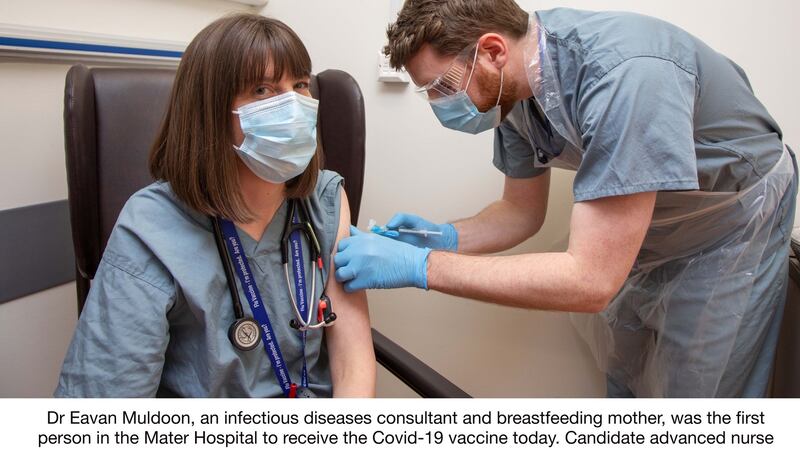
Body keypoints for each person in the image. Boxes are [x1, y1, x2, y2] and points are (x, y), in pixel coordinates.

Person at [333, 0, 797, 397]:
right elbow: (520, 212)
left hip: (733, 223)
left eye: (443, 87)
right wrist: (440, 238)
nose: (439, 104)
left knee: (699, 399)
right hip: (650, 227)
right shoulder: (513, 92)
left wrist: (421, 268)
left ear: (492, 51)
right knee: (628, 376)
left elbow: (590, 280)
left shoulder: (623, 76)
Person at [56, 14, 375, 398]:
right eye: (262, 90)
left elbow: (351, 361)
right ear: (209, 111)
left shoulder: (324, 199)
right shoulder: (152, 228)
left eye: (300, 84)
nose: (292, 105)